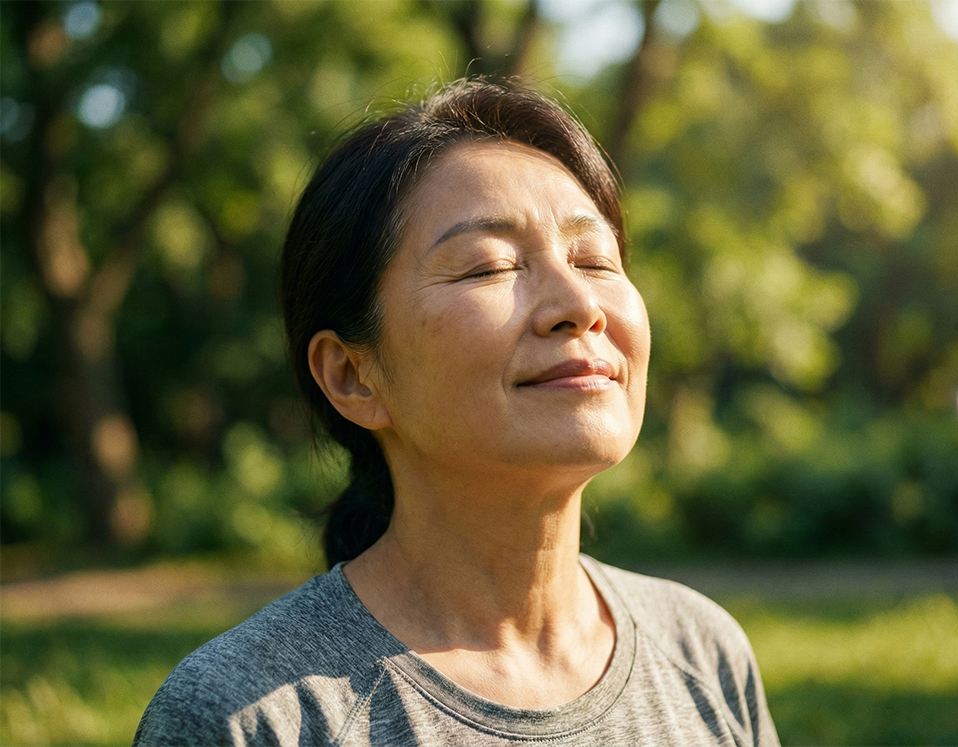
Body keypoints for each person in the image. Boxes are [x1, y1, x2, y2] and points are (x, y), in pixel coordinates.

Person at [133, 78, 780, 747]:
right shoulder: (248, 713)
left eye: (594, 259)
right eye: (487, 266)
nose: (577, 304)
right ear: (353, 375)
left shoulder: (702, 649)